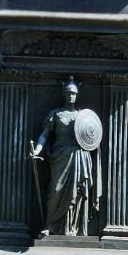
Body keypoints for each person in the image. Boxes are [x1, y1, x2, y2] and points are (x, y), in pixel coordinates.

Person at [30, 77, 104, 237]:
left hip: (80, 158)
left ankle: (73, 228)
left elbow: (92, 137)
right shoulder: (56, 114)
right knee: (56, 190)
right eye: (69, 93)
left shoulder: (83, 117)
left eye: (74, 94)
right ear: (64, 94)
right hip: (61, 158)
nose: (71, 96)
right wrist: (37, 151)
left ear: (77, 95)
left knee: (77, 194)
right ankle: (51, 226)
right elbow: (44, 135)